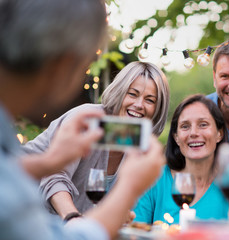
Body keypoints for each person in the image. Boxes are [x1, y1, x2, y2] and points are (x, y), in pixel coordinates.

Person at [0, 0, 165, 239]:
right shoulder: (88, 118)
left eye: (150, 100)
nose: (139, 105)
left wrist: (49, 161)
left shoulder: (131, 144)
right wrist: (128, 189)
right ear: (64, 64)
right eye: (84, 65)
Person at [22, 61, 170, 219]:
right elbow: (55, 175)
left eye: (150, 100)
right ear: (120, 92)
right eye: (132, 94)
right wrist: (72, 218)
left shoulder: (135, 145)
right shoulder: (91, 121)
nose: (139, 105)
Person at [133, 94, 229, 224]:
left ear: (219, 133)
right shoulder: (153, 179)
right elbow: (134, 233)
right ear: (176, 137)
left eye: (203, 124)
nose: (194, 133)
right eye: (185, 126)